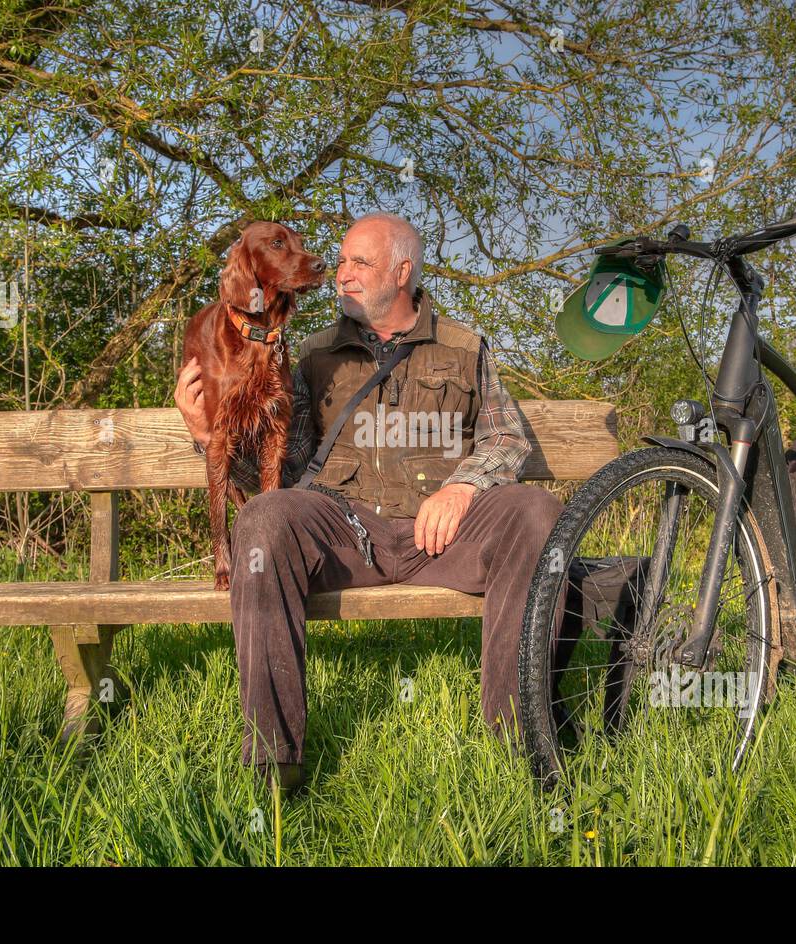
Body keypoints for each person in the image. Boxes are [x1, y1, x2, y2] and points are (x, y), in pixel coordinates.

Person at [175, 211, 567, 792]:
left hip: (443, 535)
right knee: (263, 516)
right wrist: (206, 434)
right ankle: (272, 765)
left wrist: (463, 488)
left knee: (535, 511)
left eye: (360, 263)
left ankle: (521, 744)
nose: (342, 275)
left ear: (402, 271)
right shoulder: (310, 355)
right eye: (340, 263)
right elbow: (285, 458)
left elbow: (507, 436)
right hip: (344, 526)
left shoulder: (463, 347)